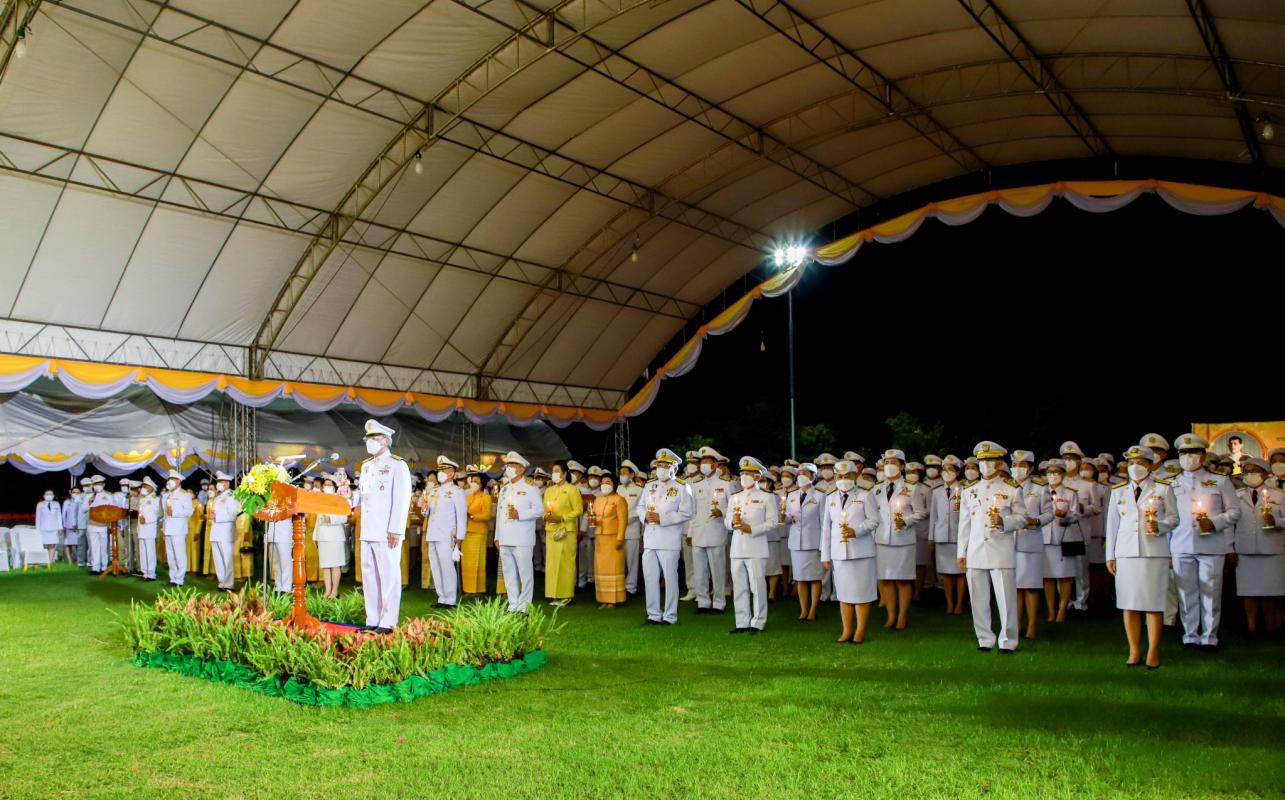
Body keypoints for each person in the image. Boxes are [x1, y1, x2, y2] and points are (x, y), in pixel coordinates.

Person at [1106, 445, 1178, 668]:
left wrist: (1160, 526)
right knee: (1129, 603)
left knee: (1153, 603)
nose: (1135, 467)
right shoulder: (1118, 490)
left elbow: (1174, 518)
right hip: (1126, 552)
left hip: (1153, 552)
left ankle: (1153, 651)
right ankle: (1134, 650)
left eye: (1140, 463)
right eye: (1131, 463)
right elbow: (1112, 525)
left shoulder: (1163, 488)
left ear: (1149, 465)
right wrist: (1110, 555)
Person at [1168, 433, 1240, 651]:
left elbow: (1235, 511)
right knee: (1185, 592)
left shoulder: (1220, 481)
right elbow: (1167, 517)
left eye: (1193, 452)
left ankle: (1209, 636)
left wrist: (1215, 522)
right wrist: (1167, 549)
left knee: (1211, 592)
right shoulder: (1171, 483)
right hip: (1180, 544)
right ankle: (1190, 635)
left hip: (1211, 545)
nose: (1188, 457)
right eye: (1183, 453)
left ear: (1202, 455)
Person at [957, 442, 1028, 653]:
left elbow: (1022, 518)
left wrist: (1005, 522)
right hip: (976, 549)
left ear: (999, 463)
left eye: (989, 460)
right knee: (978, 598)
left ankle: (1008, 640)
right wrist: (961, 552)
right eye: (982, 461)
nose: (985, 465)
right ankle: (984, 639)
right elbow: (964, 524)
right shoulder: (969, 490)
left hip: (1000, 549)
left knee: (1006, 599)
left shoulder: (1011, 488)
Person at [357, 419, 412, 633]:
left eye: (374, 438)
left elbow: (401, 499)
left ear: (386, 441)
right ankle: (372, 618)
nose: (370, 442)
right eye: (368, 438)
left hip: (386, 530)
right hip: (368, 529)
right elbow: (365, 498)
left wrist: (396, 529)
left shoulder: (397, 464)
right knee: (369, 576)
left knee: (389, 576)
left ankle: (388, 621)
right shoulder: (366, 466)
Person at [821, 460, 880, 643]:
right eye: (839, 476)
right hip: (839, 553)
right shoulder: (830, 498)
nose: (843, 479)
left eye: (847, 476)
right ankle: (847, 630)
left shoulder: (865, 495)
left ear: (855, 476)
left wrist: (857, 531)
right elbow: (826, 528)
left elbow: (874, 520)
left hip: (861, 552)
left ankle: (860, 630)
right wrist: (825, 555)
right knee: (844, 594)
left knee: (862, 594)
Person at [871, 449, 928, 630]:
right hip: (882, 540)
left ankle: (902, 616)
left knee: (903, 580)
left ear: (902, 466)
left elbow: (921, 512)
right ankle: (891, 616)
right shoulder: (876, 488)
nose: (889, 466)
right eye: (886, 463)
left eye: (893, 463)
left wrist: (906, 521)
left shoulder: (911, 487)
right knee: (886, 580)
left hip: (903, 540)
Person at [637, 449, 693, 625]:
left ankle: (670, 616)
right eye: (659, 465)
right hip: (650, 539)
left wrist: (662, 518)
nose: (660, 468)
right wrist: (645, 516)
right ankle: (653, 614)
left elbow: (687, 513)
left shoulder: (682, 487)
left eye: (665, 465)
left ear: (674, 468)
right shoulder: (649, 485)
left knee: (670, 580)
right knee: (650, 579)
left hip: (669, 540)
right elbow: (640, 506)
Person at [1233, 458, 1284, 634]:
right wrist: (1230, 548)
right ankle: (1251, 626)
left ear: (1265, 474)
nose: (1249, 475)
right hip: (1245, 548)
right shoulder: (1236, 495)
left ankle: (1271, 626)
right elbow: (1230, 524)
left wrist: (1276, 521)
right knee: (1248, 590)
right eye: (1246, 471)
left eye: (1253, 471)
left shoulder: (1279, 495)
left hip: (1271, 548)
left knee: (1270, 590)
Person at [726, 457, 776, 634]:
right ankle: (742, 622)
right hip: (737, 548)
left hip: (756, 548)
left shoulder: (766, 497)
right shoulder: (735, 497)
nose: (744, 476)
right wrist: (732, 523)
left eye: (748, 473)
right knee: (740, 587)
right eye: (742, 473)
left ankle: (758, 622)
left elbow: (772, 522)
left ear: (757, 476)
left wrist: (752, 529)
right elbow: (726, 521)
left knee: (757, 587)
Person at [1011, 450, 1051, 639]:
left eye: (1022, 465)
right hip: (1009, 542)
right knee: (1015, 587)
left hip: (1030, 542)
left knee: (1031, 586)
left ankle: (1032, 626)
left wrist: (1036, 521)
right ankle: (1016, 625)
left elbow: (1049, 513)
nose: (1017, 469)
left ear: (1030, 468)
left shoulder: (1040, 487)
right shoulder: (1006, 486)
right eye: (1014, 465)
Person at [687, 446, 731, 614]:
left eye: (707, 462)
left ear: (715, 465)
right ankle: (703, 602)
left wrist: (723, 512)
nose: (703, 465)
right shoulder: (696, 485)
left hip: (716, 531)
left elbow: (734, 508)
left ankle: (719, 603)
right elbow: (693, 512)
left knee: (717, 570)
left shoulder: (726, 484)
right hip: (699, 532)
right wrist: (690, 532)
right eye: (702, 462)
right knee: (700, 571)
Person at [496, 452, 542, 612]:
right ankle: (513, 604)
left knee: (525, 573)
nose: (509, 468)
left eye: (513, 465)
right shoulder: (504, 489)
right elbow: (500, 514)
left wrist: (520, 514)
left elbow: (539, 510)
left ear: (521, 469)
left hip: (522, 538)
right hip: (505, 537)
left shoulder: (530, 487)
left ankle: (524, 606)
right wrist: (497, 537)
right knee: (509, 573)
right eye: (508, 465)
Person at [1041, 459, 1083, 624]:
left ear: (1063, 474)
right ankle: (1051, 610)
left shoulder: (1070, 493)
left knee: (1065, 576)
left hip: (1064, 538)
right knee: (1048, 577)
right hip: (1045, 538)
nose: (1052, 475)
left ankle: (1062, 609)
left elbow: (1076, 515)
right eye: (1049, 472)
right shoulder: (1041, 491)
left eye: (1056, 472)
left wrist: (1065, 515)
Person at [423, 455, 467, 609]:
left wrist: (460, 537)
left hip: (447, 535)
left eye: (444, 470)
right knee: (435, 566)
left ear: (451, 473)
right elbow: (427, 513)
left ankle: (450, 599)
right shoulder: (434, 490)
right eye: (439, 470)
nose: (440, 473)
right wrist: (424, 507)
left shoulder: (457, 491)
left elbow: (461, 516)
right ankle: (441, 597)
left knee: (447, 566)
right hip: (432, 534)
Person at [787, 462, 825, 621]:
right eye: (799, 473)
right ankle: (803, 609)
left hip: (813, 542)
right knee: (800, 577)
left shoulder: (820, 496)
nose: (801, 476)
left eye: (805, 473)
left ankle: (813, 609)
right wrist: (784, 517)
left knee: (815, 577)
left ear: (813, 477)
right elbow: (788, 518)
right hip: (796, 542)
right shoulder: (791, 495)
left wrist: (823, 545)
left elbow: (824, 522)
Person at [930, 455, 967, 615]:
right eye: (944, 470)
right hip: (941, 536)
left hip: (959, 536)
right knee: (945, 572)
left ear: (958, 472)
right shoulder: (937, 491)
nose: (946, 472)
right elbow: (934, 516)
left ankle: (959, 603)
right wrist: (931, 537)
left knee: (960, 572)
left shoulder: (965, 490)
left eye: (950, 469)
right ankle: (949, 603)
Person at [543, 461, 583, 606]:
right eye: (553, 471)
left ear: (565, 473)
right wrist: (546, 517)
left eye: (557, 471)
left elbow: (578, 510)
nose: (554, 473)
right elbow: (545, 510)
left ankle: (566, 595)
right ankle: (554, 594)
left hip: (566, 531)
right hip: (551, 530)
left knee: (565, 563)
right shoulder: (549, 490)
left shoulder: (572, 490)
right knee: (552, 563)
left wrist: (562, 518)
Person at [590, 472, 628, 607]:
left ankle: (613, 600)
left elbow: (623, 521)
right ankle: (603, 599)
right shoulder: (597, 500)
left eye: (608, 482)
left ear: (614, 484)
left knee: (614, 568)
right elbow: (593, 516)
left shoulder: (619, 500)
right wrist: (592, 520)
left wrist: (620, 538)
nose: (604, 485)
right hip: (600, 537)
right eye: (602, 482)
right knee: (601, 568)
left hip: (613, 537)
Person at [315, 475, 350, 598]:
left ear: (335, 487)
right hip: (323, 536)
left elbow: (344, 518)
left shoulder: (340, 500)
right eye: (325, 485)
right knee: (326, 565)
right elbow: (318, 521)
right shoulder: (320, 500)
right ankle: (327, 591)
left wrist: (331, 519)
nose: (326, 487)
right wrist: (315, 537)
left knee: (335, 565)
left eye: (329, 485)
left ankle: (334, 591)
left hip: (335, 536)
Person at [459, 466, 491, 595]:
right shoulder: (467, 497)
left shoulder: (485, 497)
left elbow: (487, 515)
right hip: (466, 532)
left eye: (476, 481)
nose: (473, 483)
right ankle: (467, 588)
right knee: (466, 561)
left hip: (479, 532)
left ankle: (478, 589)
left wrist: (473, 516)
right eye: (472, 481)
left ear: (482, 484)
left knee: (478, 561)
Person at [208, 472, 240, 591]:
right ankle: (222, 582)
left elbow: (233, 515)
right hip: (215, 532)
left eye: (221, 482)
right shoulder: (217, 497)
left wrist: (217, 516)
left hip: (226, 532)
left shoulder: (232, 496)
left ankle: (229, 584)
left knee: (227, 559)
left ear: (227, 483)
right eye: (218, 482)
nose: (219, 484)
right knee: (218, 560)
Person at [617, 459, 644, 595]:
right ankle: (619, 584)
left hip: (631, 529)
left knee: (632, 561)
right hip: (617, 530)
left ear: (632, 475)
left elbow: (640, 510)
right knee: (619, 560)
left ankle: (631, 587)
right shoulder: (618, 489)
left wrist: (625, 519)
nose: (622, 475)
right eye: (620, 473)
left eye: (624, 473)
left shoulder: (640, 490)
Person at [161, 471, 194, 586]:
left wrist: (175, 512)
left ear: (179, 481)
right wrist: (163, 528)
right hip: (168, 528)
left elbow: (189, 511)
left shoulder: (185, 495)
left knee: (179, 554)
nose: (170, 481)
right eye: (169, 479)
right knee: (170, 555)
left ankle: (179, 579)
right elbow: (165, 515)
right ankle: (173, 577)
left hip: (179, 529)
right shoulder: (166, 496)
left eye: (173, 479)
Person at [136, 477, 160, 581]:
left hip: (149, 528)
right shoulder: (142, 499)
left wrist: (147, 520)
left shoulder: (155, 499)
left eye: (146, 486)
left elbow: (157, 514)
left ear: (152, 488)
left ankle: (151, 573)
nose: (144, 488)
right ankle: (144, 572)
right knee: (143, 551)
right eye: (143, 486)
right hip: (141, 529)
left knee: (150, 551)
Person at [36, 489, 63, 564]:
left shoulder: (56, 504)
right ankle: (43, 561)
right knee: (44, 545)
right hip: (43, 528)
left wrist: (60, 527)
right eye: (47, 494)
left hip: (54, 528)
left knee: (52, 545)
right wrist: (37, 529)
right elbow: (38, 518)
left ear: (53, 496)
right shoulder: (40, 504)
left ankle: (50, 562)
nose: (49, 496)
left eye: (51, 494)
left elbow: (59, 516)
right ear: (44, 496)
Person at [61, 487, 81, 564]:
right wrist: (64, 525)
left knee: (79, 544)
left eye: (78, 492)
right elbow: (63, 515)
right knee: (68, 544)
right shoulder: (67, 502)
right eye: (74, 492)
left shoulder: (82, 502)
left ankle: (79, 560)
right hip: (69, 526)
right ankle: (70, 561)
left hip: (79, 526)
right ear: (71, 493)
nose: (76, 494)